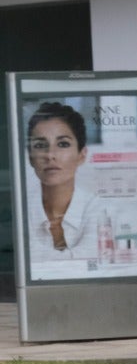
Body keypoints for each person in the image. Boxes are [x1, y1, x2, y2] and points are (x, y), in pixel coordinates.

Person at [24, 101, 115, 265]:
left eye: (63, 144)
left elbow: (95, 258)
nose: (50, 155)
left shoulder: (99, 208)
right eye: (40, 145)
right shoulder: (22, 210)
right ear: (31, 157)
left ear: (81, 155)